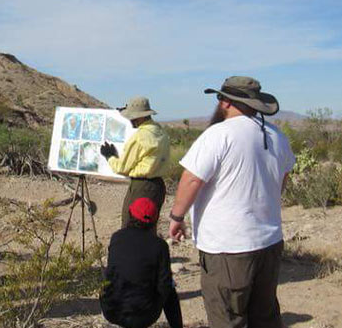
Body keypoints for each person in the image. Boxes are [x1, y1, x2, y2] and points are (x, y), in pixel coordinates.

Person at [167, 76, 295, 328]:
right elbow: (283, 178)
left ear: (225, 102)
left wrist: (177, 217)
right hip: (269, 242)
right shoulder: (276, 135)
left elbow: (192, 179)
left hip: (228, 247)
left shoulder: (218, 134)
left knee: (227, 317)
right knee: (264, 315)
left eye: (219, 98)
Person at [100, 197, 183, 328]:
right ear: (155, 220)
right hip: (143, 315)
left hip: (111, 309)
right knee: (170, 287)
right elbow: (164, 285)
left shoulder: (117, 237)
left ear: (131, 214)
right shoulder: (159, 246)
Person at [100, 96, 170, 226]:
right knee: (148, 226)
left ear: (140, 117)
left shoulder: (141, 136)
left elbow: (122, 168)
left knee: (131, 225)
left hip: (142, 187)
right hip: (157, 186)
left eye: (132, 117)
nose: (130, 120)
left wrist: (109, 156)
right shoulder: (160, 131)